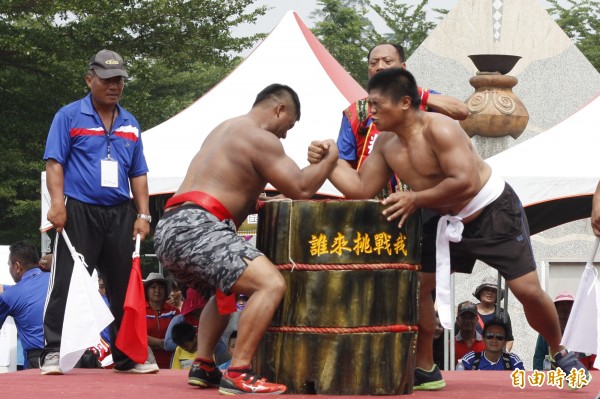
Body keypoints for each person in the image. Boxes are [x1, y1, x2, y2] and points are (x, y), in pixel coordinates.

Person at [308, 68, 591, 390]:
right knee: (416, 289)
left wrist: (416, 198)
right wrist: (330, 161)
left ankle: (558, 350)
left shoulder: (440, 128)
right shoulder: (386, 143)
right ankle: (426, 366)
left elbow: (466, 182)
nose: (369, 112)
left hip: (492, 212)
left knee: (527, 291)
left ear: (404, 102)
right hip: (439, 217)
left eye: (376, 104)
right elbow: (361, 188)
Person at [154, 83, 338, 395]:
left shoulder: (225, 128)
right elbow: (302, 188)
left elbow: (239, 188)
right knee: (270, 283)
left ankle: (203, 364)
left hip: (171, 226)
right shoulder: (261, 137)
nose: (285, 136)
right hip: (199, 225)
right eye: (288, 126)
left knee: (223, 291)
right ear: (279, 109)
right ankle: (238, 371)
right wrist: (331, 157)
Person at [41, 49, 155, 375]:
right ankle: (53, 352)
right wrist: (58, 204)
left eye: (119, 79)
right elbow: (54, 163)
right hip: (78, 211)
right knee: (65, 282)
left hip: (120, 213)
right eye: (106, 79)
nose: (114, 85)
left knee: (123, 285)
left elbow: (139, 173)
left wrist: (143, 215)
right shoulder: (69, 116)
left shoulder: (131, 123)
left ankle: (128, 356)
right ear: (89, 79)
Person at [336, 43, 468, 182]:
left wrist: (411, 92)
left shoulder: (423, 98)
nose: (380, 67)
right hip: (373, 199)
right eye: (373, 63)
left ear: (403, 68)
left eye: (387, 61)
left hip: (425, 199)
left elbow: (462, 111)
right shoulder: (356, 111)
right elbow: (344, 160)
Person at [0, 241, 49, 369]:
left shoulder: (10, 295)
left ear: (17, 267)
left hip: (38, 363)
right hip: (70, 359)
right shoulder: (56, 279)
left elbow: (15, 293)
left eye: (9, 265)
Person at [533, 292, 597, 370]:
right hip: (554, 378)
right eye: (561, 305)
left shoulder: (584, 333)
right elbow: (539, 358)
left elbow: (594, 360)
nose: (565, 309)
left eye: (569, 305)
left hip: (580, 378)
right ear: (555, 309)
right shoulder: (546, 331)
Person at [144, 272, 180, 368]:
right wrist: (161, 343)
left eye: (161, 287)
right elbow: (136, 336)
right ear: (146, 290)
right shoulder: (139, 311)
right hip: (145, 363)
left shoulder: (174, 312)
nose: (157, 290)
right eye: (153, 287)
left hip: (171, 362)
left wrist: (152, 342)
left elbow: (179, 336)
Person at [459, 318, 524, 370]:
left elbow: (522, 384)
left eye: (499, 337)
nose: (494, 340)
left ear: (505, 342)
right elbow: (458, 383)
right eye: (490, 336)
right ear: (483, 339)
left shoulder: (513, 361)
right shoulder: (470, 360)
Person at [472, 276, 514, 352]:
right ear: (480, 292)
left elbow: (509, 340)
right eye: (486, 289)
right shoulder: (470, 311)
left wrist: (503, 355)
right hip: (472, 358)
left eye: (494, 290)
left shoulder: (502, 314)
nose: (490, 292)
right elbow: (456, 336)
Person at [454, 301, 485, 366]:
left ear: (477, 320)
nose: (467, 321)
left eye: (471, 317)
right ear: (457, 320)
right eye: (463, 317)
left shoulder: (486, 344)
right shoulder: (450, 345)